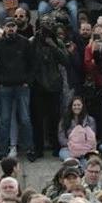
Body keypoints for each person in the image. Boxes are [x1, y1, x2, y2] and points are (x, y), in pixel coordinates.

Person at [0, 18, 35, 163]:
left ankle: (29, 149)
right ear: (4, 28)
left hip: (22, 86)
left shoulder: (25, 43)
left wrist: (28, 81)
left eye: (13, 26)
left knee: (25, 119)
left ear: (16, 28)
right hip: (5, 87)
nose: (11, 29)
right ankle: (2, 150)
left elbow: (32, 64)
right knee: (5, 120)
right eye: (8, 26)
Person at [30, 17, 68, 160]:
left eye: (49, 26)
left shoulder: (57, 42)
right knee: (37, 120)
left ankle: (55, 146)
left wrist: (53, 45)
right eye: (44, 26)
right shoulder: (33, 42)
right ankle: (38, 148)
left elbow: (65, 60)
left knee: (54, 119)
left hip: (54, 86)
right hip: (38, 86)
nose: (46, 29)